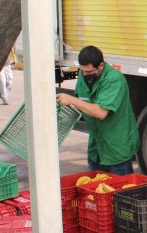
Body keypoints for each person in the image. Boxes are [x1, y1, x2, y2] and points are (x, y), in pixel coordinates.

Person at [56, 45, 140, 175]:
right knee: (93, 190)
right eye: (82, 71)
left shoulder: (114, 79)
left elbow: (100, 112)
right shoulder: (84, 74)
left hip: (116, 148)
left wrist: (72, 100)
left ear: (100, 65)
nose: (84, 75)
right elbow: (82, 103)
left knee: (118, 190)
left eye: (89, 72)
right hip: (96, 148)